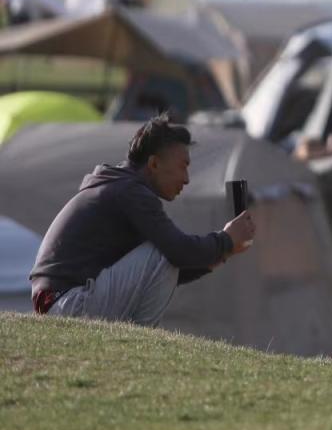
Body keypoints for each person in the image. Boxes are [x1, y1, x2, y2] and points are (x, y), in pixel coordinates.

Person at [29, 114, 255, 326]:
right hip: (67, 303)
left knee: (164, 253)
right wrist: (225, 239)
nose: (187, 179)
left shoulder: (119, 186)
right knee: (163, 251)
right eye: (183, 166)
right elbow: (175, 253)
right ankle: (139, 341)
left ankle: (135, 341)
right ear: (154, 164)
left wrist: (223, 252)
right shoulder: (131, 192)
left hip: (58, 302)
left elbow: (162, 271)